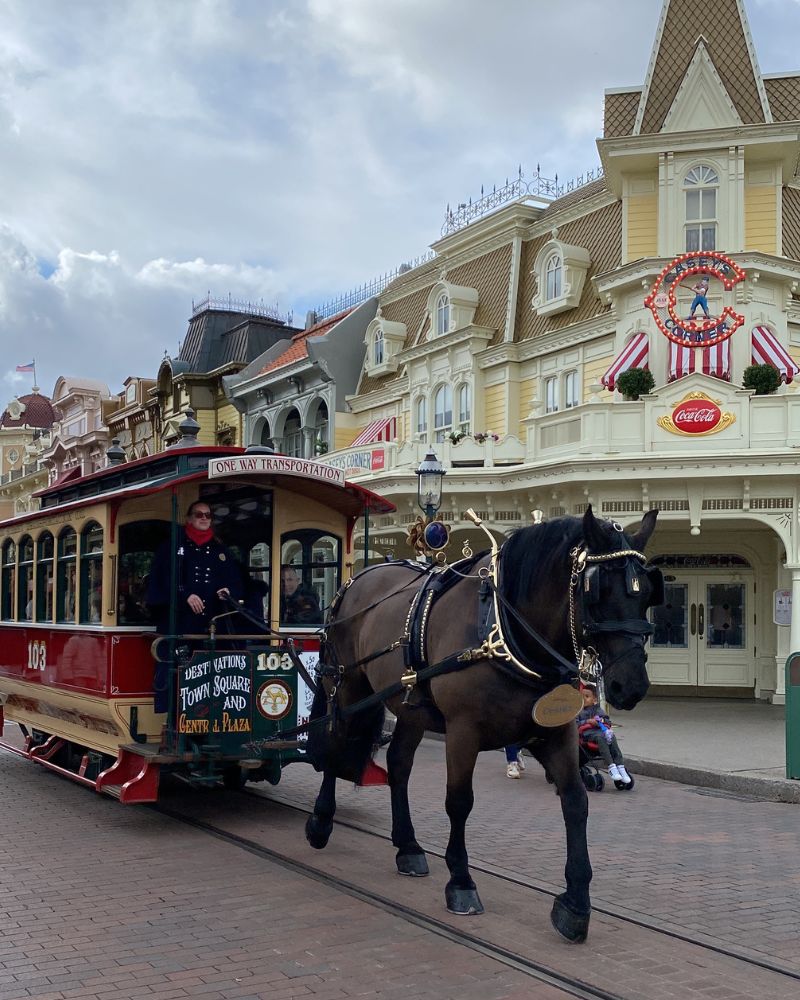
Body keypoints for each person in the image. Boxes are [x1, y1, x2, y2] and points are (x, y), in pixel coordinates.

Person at [146, 501, 243, 709]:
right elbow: (161, 581)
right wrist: (184, 595)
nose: (204, 518)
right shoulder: (172, 547)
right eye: (199, 514)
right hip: (181, 624)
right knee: (177, 672)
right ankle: (175, 719)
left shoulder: (220, 551)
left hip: (212, 626)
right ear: (189, 518)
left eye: (208, 515)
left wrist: (228, 592)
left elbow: (236, 582)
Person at [577, 685, 632, 786]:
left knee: (612, 737)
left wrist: (601, 721)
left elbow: (607, 720)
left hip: (599, 733)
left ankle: (620, 766)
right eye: (581, 696)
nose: (583, 699)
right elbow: (575, 724)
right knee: (601, 737)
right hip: (587, 736)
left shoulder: (597, 710)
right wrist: (588, 721)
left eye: (587, 696)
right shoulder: (578, 711)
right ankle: (611, 766)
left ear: (594, 699)